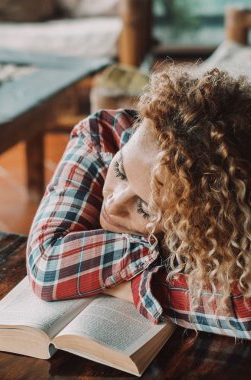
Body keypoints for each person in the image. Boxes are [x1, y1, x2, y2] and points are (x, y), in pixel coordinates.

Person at [27, 67, 251, 339]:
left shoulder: (225, 217)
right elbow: (47, 262)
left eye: (145, 208)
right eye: (120, 171)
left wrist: (132, 282)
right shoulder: (101, 137)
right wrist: (152, 269)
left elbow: (245, 307)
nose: (113, 203)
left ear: (196, 227)